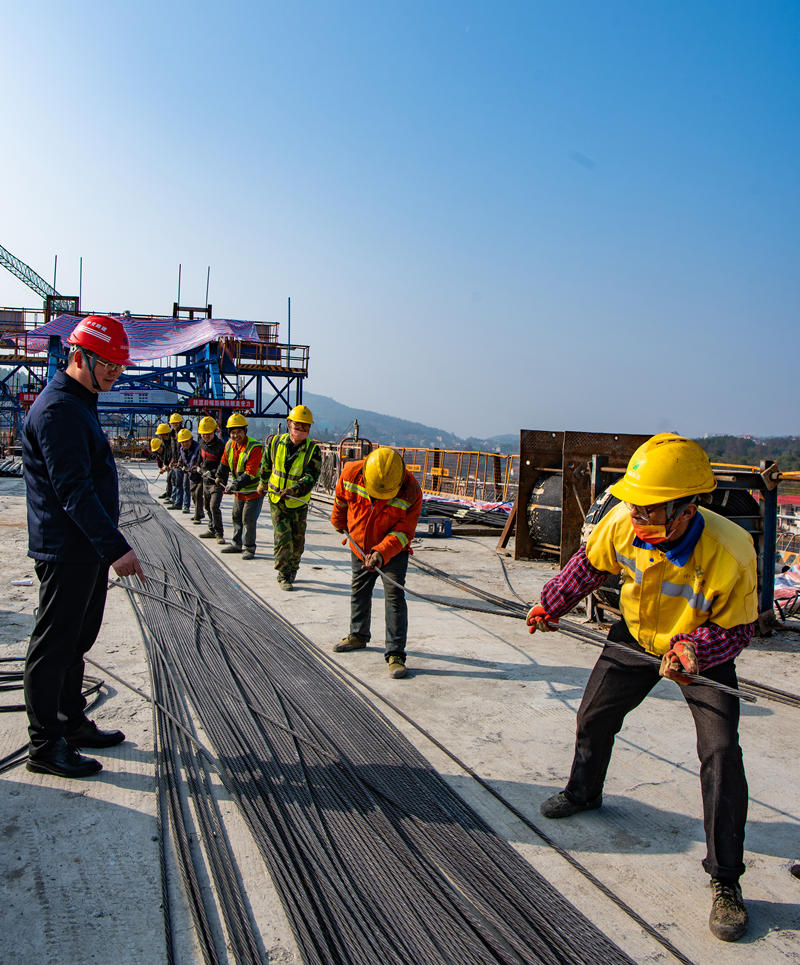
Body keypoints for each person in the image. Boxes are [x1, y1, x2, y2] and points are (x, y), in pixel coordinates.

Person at [525, 433, 757, 942]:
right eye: (636, 508)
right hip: (635, 634)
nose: (638, 519)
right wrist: (550, 604)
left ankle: (726, 880)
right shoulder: (623, 522)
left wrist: (694, 651)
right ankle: (583, 792)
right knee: (593, 716)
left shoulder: (731, 551)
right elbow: (587, 567)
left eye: (651, 512)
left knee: (720, 753)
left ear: (686, 507)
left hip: (698, 651)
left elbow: (739, 629)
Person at [21, 314, 145, 779]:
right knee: (53, 647)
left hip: (84, 549)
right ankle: (44, 744)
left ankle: (70, 722)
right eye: (108, 364)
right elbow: (73, 489)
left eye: (120, 365)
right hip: (65, 549)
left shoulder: (80, 402)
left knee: (76, 642)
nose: (116, 372)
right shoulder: (58, 411)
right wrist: (116, 548)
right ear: (80, 357)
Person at [330, 447, 422, 678]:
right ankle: (358, 635)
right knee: (359, 589)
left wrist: (382, 552)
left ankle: (395, 654)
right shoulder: (352, 473)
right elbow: (341, 500)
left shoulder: (411, 490)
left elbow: (404, 531)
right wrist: (338, 521)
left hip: (392, 551)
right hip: (359, 545)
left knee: (394, 598)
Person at [257, 405, 322, 590]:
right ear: (288, 424)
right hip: (277, 501)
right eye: (297, 426)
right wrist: (262, 482)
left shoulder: (312, 451)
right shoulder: (276, 443)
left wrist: (293, 490)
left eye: (305, 427)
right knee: (283, 538)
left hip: (298, 502)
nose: (300, 430)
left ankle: (293, 568)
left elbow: (311, 477)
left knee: (297, 540)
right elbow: (266, 464)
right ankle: (283, 574)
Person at [215, 412, 264, 560]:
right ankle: (236, 544)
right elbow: (224, 463)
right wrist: (219, 476)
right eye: (233, 432)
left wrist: (233, 485)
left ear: (245, 432)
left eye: (239, 432)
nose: (236, 436)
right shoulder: (229, 445)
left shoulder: (254, 447)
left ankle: (249, 547)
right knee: (236, 516)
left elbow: (250, 473)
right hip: (239, 491)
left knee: (248, 519)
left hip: (253, 490)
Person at [197, 416, 226, 544]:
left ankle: (219, 533)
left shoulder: (220, 446)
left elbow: (224, 465)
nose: (206, 436)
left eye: (208, 434)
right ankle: (211, 529)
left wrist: (214, 473)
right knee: (207, 506)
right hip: (205, 480)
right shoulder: (201, 443)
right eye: (203, 434)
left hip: (217, 481)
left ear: (215, 431)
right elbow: (200, 457)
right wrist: (198, 466)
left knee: (214, 506)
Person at [166, 412, 184, 507]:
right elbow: (173, 449)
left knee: (179, 483)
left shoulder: (183, 433)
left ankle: (178, 503)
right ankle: (173, 499)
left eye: (176, 423)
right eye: (173, 423)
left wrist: (180, 461)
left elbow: (184, 450)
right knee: (173, 481)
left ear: (180, 423)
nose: (175, 425)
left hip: (181, 462)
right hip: (175, 461)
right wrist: (172, 460)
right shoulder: (172, 435)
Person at [154, 422, 174, 500]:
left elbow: (175, 453)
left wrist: (172, 462)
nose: (160, 436)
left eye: (161, 434)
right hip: (169, 463)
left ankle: (171, 495)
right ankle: (168, 493)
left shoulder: (173, 440)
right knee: (169, 479)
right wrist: (164, 465)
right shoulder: (164, 442)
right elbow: (165, 455)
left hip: (175, 462)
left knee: (173, 480)